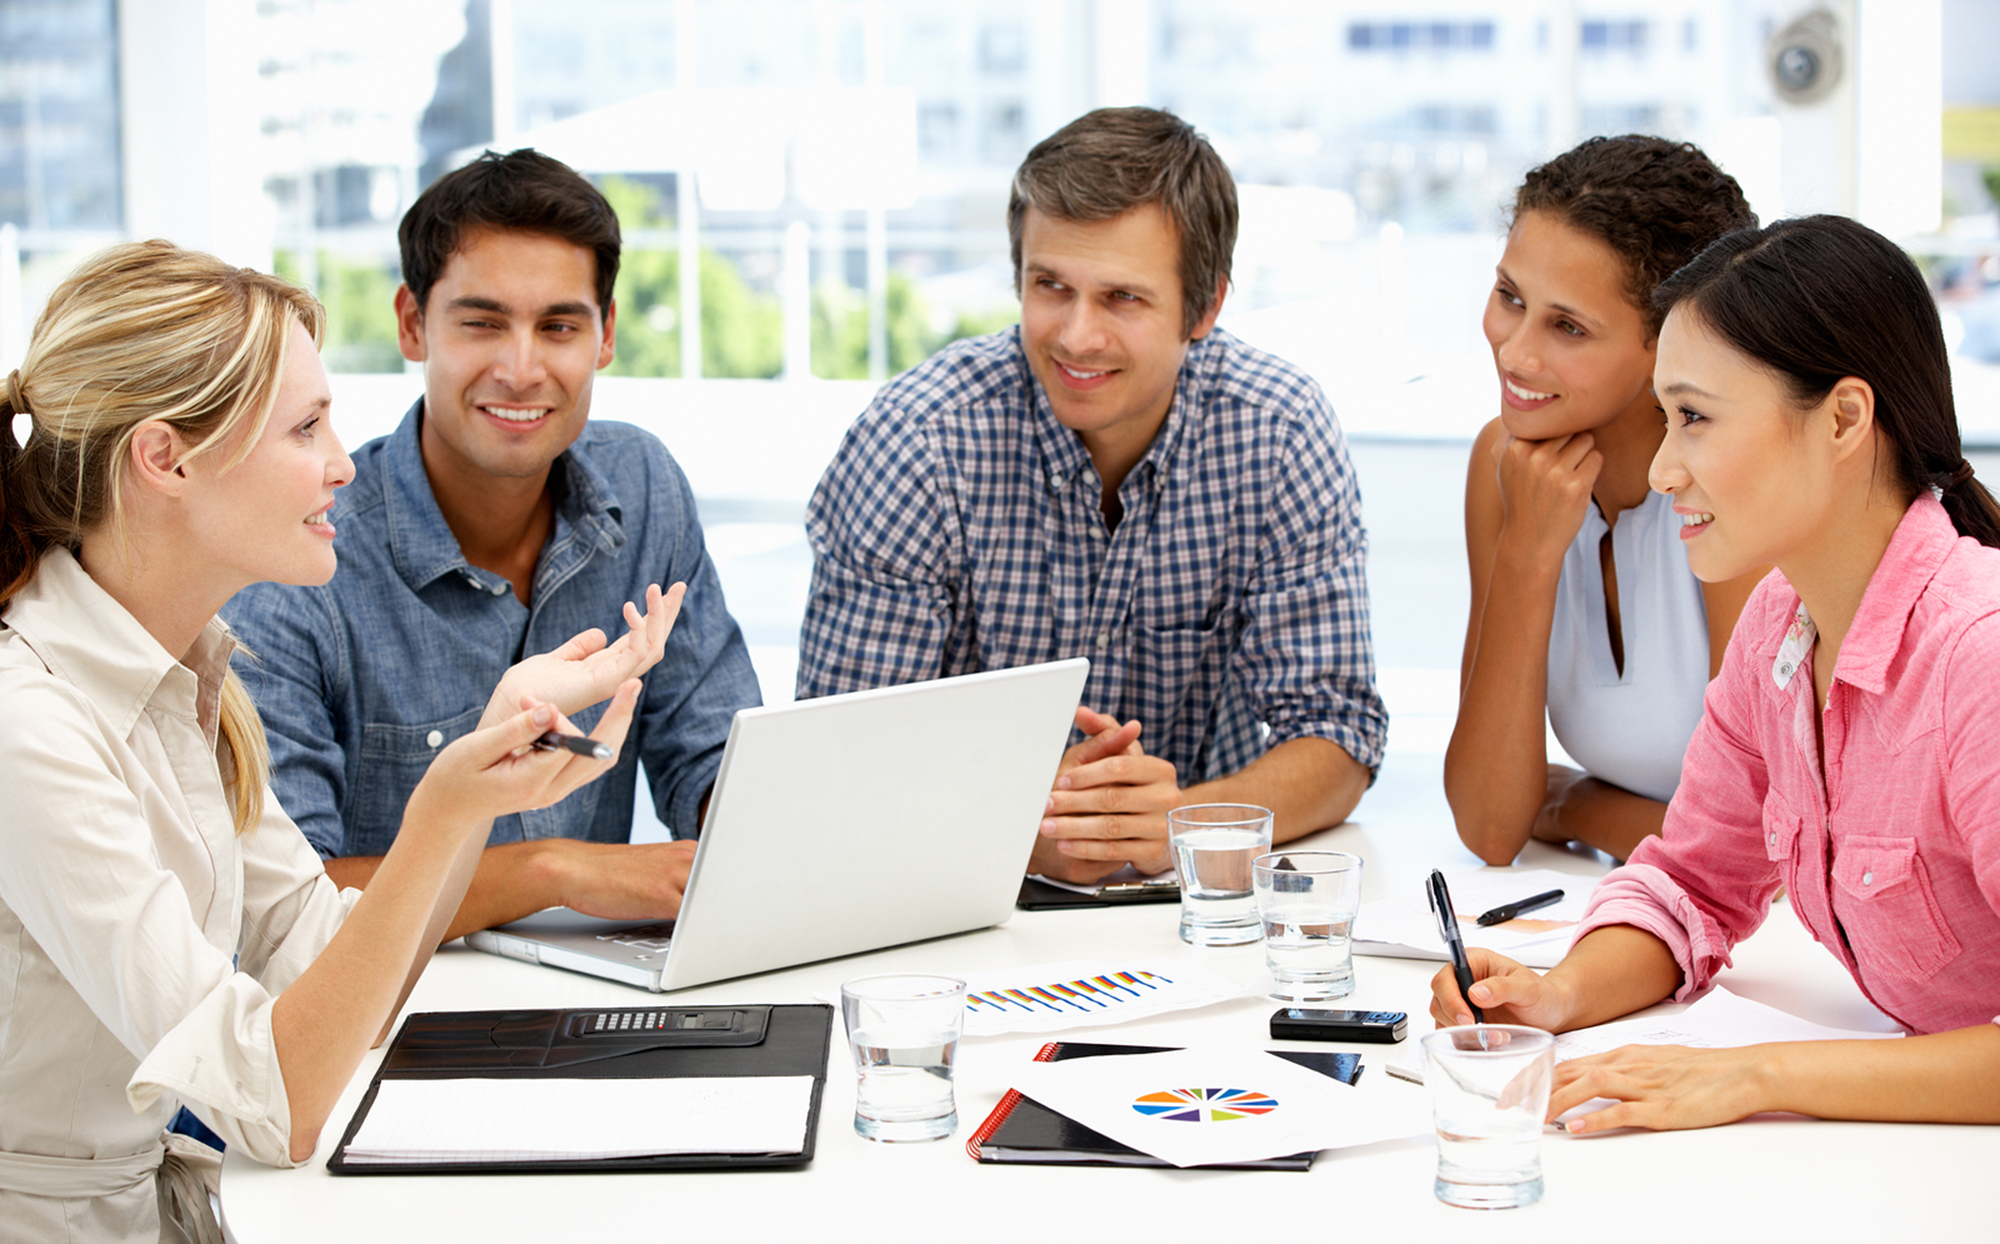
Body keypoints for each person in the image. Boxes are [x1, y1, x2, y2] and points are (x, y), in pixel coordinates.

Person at [0, 242, 675, 1244]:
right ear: (165, 459)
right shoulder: (26, 724)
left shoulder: (193, 674)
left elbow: (330, 968)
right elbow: (275, 1100)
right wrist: (447, 808)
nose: (343, 464)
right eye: (304, 428)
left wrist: (487, 771)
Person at [1429, 216, 2000, 1156]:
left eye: (1694, 418)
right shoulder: (1783, 625)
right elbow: (1691, 882)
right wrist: (1558, 993)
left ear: (1845, 420)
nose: (1661, 469)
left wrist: (1755, 1075)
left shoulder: (1975, 658)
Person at [797, 107, 1387, 883]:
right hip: (945, 895)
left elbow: (1338, 735)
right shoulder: (917, 442)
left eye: (1122, 299)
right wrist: (1028, 833)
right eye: (1052, 286)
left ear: (1204, 308)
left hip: (1201, 901)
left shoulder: (1278, 431)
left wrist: (1184, 825)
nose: (1076, 335)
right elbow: (837, 765)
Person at [225, 149, 759, 936]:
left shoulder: (643, 486)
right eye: (482, 323)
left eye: (559, 326)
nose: (521, 368)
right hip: (386, 1018)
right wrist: (553, 872)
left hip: (598, 995)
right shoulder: (301, 557)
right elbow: (286, 905)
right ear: (413, 323)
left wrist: (748, 835)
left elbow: (712, 753)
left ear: (605, 335)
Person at [1444, 136, 1763, 866]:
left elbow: (1759, 847)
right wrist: (1527, 554)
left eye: (1568, 326)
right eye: (1510, 298)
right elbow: (1491, 826)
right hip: (1633, 906)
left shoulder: (1737, 482)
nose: (1515, 353)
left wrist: (1574, 803)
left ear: (1669, 341)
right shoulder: (1505, 464)